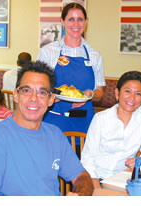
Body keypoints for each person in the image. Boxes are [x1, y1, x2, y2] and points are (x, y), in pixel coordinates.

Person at [0, 61, 93, 196]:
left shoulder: (55, 135)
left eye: (42, 92)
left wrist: (79, 196)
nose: (33, 98)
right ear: (16, 94)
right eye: (26, 91)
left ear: (51, 99)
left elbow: (82, 177)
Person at [81, 71, 141, 188]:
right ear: (117, 93)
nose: (132, 98)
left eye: (138, 94)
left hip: (126, 180)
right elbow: (87, 159)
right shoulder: (100, 119)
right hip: (98, 179)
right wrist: (97, 189)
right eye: (127, 91)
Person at [37, 3, 105, 134]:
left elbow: (100, 93)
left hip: (84, 120)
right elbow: (38, 87)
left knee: (81, 154)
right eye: (71, 19)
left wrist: (90, 95)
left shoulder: (94, 55)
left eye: (80, 19)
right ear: (62, 21)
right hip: (54, 118)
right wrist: (50, 96)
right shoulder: (48, 52)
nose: (76, 24)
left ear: (86, 22)